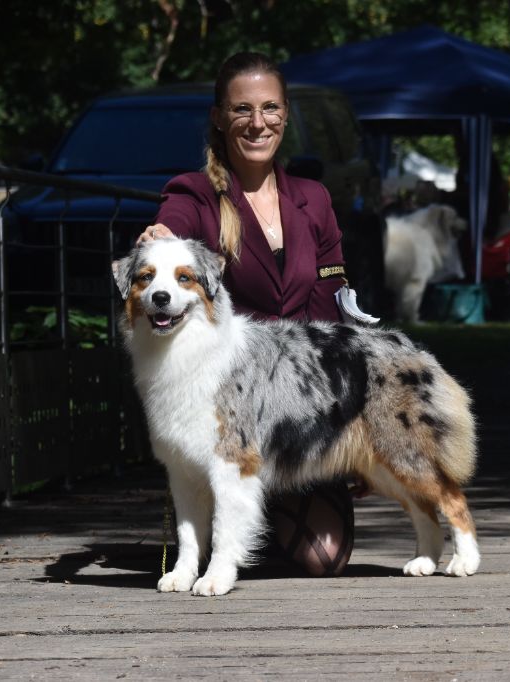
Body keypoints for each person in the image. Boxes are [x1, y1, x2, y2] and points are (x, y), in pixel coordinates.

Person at [137, 52, 355, 575]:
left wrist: (351, 426)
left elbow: (335, 305)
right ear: (219, 117)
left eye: (270, 108)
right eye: (242, 109)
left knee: (323, 557)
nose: (258, 123)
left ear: (284, 113)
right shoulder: (195, 195)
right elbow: (174, 230)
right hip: (231, 403)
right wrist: (161, 240)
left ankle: (259, 506)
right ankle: (232, 518)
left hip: (303, 405)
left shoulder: (314, 197)